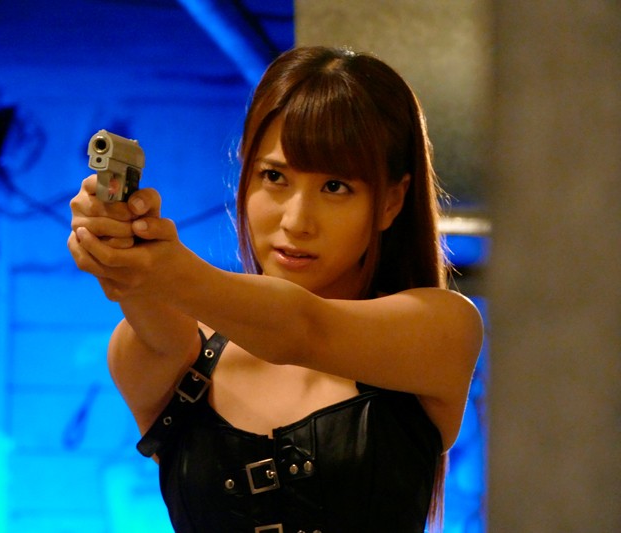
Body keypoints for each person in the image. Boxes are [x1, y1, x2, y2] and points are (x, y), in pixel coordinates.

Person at [68, 46, 483, 533]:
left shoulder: (441, 329)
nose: (296, 221)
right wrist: (122, 250)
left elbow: (301, 329)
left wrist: (166, 269)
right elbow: (167, 335)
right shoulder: (167, 353)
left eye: (335, 187)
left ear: (391, 201)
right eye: (274, 177)